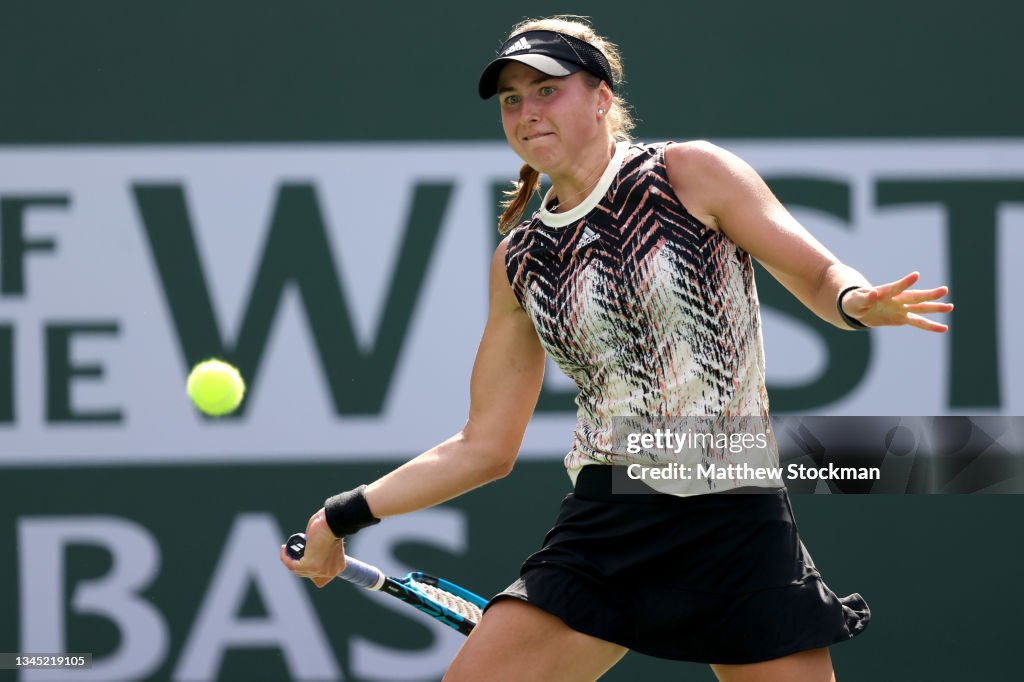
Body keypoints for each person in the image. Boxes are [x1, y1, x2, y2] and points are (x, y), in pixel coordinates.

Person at [281, 16, 953, 682]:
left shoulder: (689, 172)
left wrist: (854, 299)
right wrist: (342, 515)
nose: (526, 111)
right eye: (512, 99)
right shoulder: (520, 260)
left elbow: (814, 272)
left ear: (601, 98)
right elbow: (484, 446)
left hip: (734, 515)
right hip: (609, 521)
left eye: (547, 89)